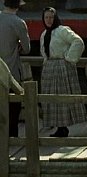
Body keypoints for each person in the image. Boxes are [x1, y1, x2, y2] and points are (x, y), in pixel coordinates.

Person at [40, 7, 85, 138]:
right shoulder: (44, 34)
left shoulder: (62, 30)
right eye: (46, 17)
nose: (49, 20)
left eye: (51, 17)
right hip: (50, 67)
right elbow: (45, 51)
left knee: (62, 97)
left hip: (61, 67)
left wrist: (69, 57)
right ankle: (59, 127)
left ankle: (63, 127)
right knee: (52, 98)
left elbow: (78, 41)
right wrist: (46, 61)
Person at [1, 0, 29, 138]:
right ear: (17, 6)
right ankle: (12, 138)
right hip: (11, 72)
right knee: (13, 108)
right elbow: (27, 48)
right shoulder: (18, 22)